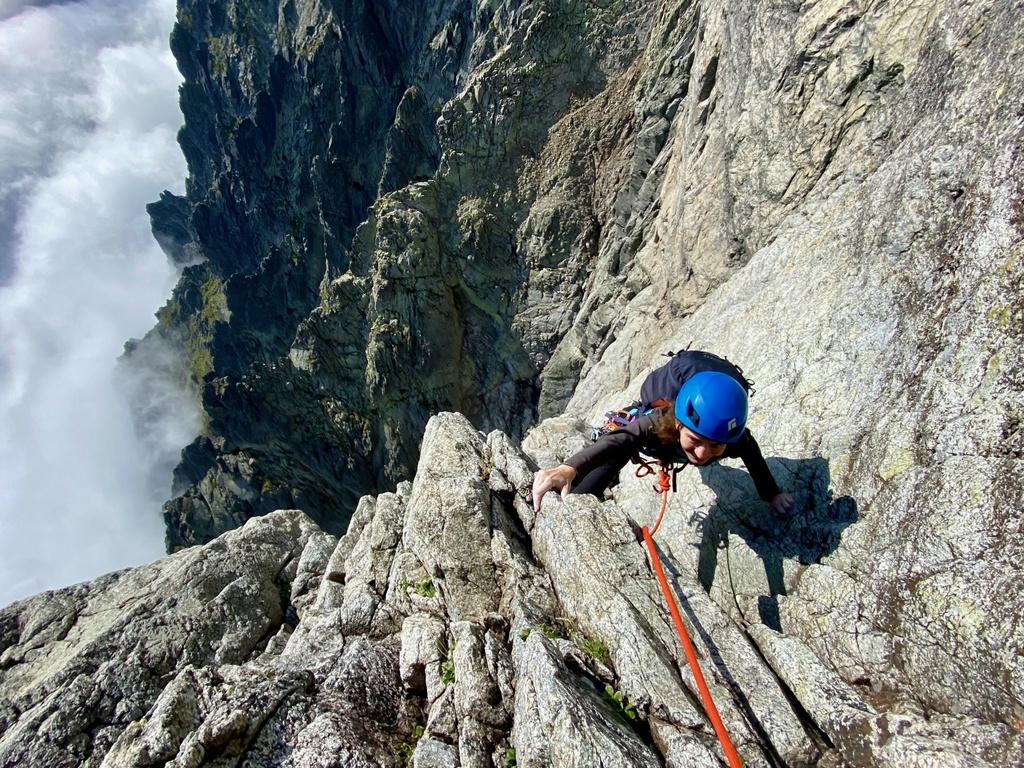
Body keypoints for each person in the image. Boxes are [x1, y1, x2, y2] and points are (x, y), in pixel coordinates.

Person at [532, 349, 795, 516]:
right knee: (624, 448)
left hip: (707, 384)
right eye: (695, 440)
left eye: (715, 446)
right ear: (679, 424)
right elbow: (622, 439)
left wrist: (772, 494)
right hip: (676, 380)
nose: (703, 454)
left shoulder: (733, 437)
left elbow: (753, 455)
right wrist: (569, 468)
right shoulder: (660, 421)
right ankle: (576, 501)